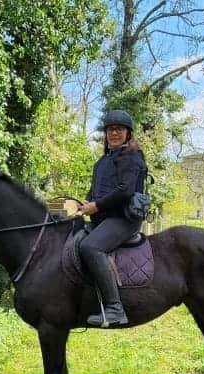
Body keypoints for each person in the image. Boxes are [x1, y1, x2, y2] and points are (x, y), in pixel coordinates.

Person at [77, 110, 148, 327]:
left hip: (124, 219)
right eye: (110, 129)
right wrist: (84, 205)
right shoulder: (102, 162)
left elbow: (125, 191)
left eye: (119, 129)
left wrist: (96, 206)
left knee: (90, 247)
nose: (114, 133)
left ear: (128, 133)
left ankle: (115, 309)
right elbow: (96, 191)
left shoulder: (132, 157)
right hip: (103, 218)